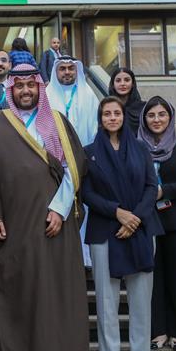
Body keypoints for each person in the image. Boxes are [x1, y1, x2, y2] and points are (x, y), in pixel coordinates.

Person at [0, 64, 89, 351]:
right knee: (18, 292)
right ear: (11, 90)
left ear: (40, 88)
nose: (26, 91)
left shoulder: (56, 123)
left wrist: (59, 210)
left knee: (52, 293)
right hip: (13, 225)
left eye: (31, 85)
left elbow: (73, 170)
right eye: (20, 86)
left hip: (52, 224)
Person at [81, 96, 164, 351]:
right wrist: (117, 213)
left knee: (141, 300)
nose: (113, 117)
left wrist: (135, 218)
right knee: (106, 300)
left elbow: (151, 187)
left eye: (116, 113)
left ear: (122, 117)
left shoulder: (141, 149)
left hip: (139, 230)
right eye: (107, 114)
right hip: (105, 231)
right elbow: (87, 193)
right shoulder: (89, 152)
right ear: (100, 119)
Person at [137, 96, 176, 351]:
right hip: (146, 222)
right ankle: (158, 332)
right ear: (144, 119)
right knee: (153, 280)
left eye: (162, 114)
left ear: (170, 118)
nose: (157, 120)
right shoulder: (137, 148)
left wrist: (164, 191)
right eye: (151, 115)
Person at [46, 56, 100, 268]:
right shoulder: (47, 96)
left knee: (84, 209)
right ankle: (63, 258)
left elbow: (96, 130)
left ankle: (85, 257)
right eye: (62, 69)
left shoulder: (89, 96)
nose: (67, 72)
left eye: (70, 68)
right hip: (56, 166)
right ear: (56, 73)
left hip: (85, 163)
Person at [109, 67, 145, 132]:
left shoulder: (144, 108)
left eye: (127, 80)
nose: (122, 84)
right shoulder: (106, 108)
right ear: (113, 85)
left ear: (133, 84)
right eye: (118, 80)